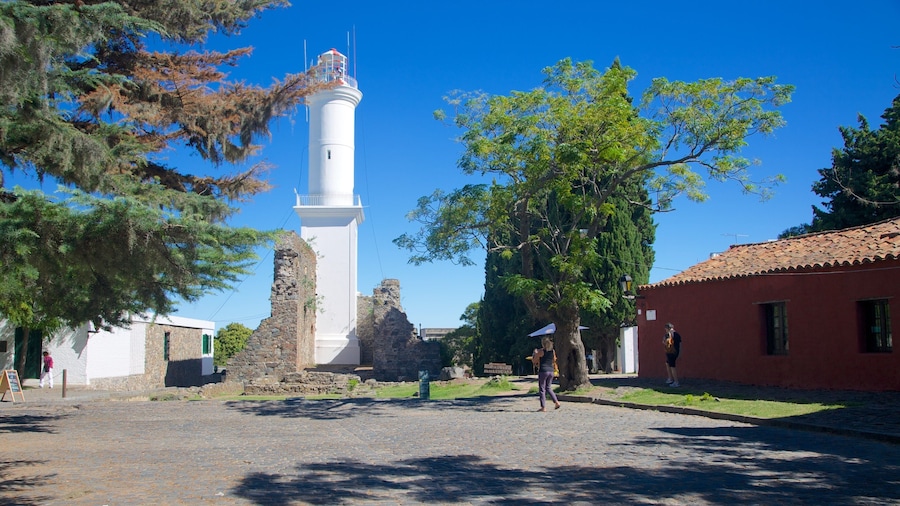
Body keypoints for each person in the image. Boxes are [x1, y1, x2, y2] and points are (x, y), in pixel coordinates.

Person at [532, 337, 561, 412]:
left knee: (542, 389)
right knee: (548, 388)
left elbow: (534, 361)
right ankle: (556, 402)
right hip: (551, 371)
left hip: (543, 371)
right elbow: (554, 359)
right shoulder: (553, 351)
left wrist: (535, 354)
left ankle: (543, 407)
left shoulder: (541, 351)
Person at [663, 323, 682, 387]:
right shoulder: (677, 334)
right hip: (676, 352)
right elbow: (680, 344)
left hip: (670, 352)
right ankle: (670, 378)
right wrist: (680, 353)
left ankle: (676, 381)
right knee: (667, 363)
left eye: (665, 328)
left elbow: (664, 342)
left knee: (672, 366)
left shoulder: (668, 334)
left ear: (667, 328)